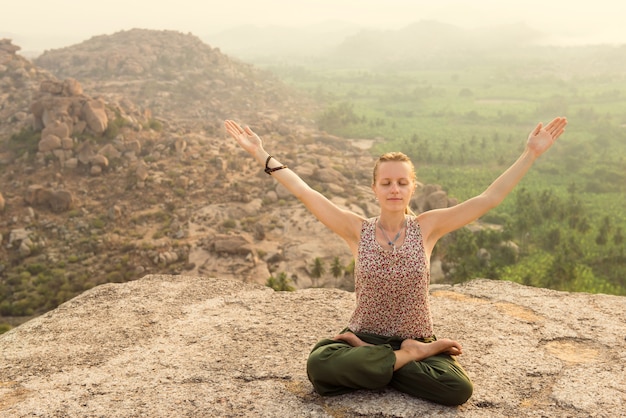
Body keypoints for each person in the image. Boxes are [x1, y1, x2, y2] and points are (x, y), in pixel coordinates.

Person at [224, 117, 567, 406]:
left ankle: (386, 365)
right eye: (386, 182)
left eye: (402, 183)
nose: (394, 189)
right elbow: (306, 192)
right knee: (319, 365)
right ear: (374, 188)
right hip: (362, 338)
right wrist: (260, 153)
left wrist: (530, 154)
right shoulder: (356, 230)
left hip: (413, 335)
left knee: (458, 389)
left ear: (412, 188)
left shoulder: (428, 227)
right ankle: (407, 358)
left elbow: (488, 198)